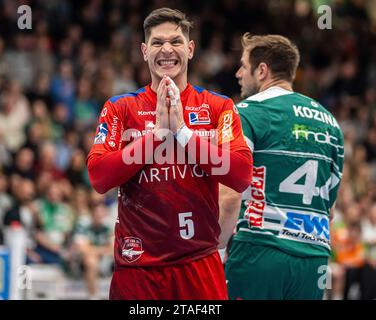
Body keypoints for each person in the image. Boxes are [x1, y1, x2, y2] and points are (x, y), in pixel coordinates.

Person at [87, 8, 253, 300]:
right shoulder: (120, 107)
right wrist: (158, 136)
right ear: (143, 51)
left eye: (176, 42)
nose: (166, 50)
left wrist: (183, 133)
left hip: (199, 262)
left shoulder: (218, 106)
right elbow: (99, 177)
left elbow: (240, 175)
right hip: (138, 267)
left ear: (190, 49)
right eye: (157, 42)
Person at [222, 33, 344, 300]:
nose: (238, 73)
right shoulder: (331, 122)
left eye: (243, 65)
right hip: (314, 259)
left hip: (259, 251)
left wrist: (217, 249)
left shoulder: (247, 111)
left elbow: (230, 193)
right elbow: (330, 209)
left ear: (262, 70)